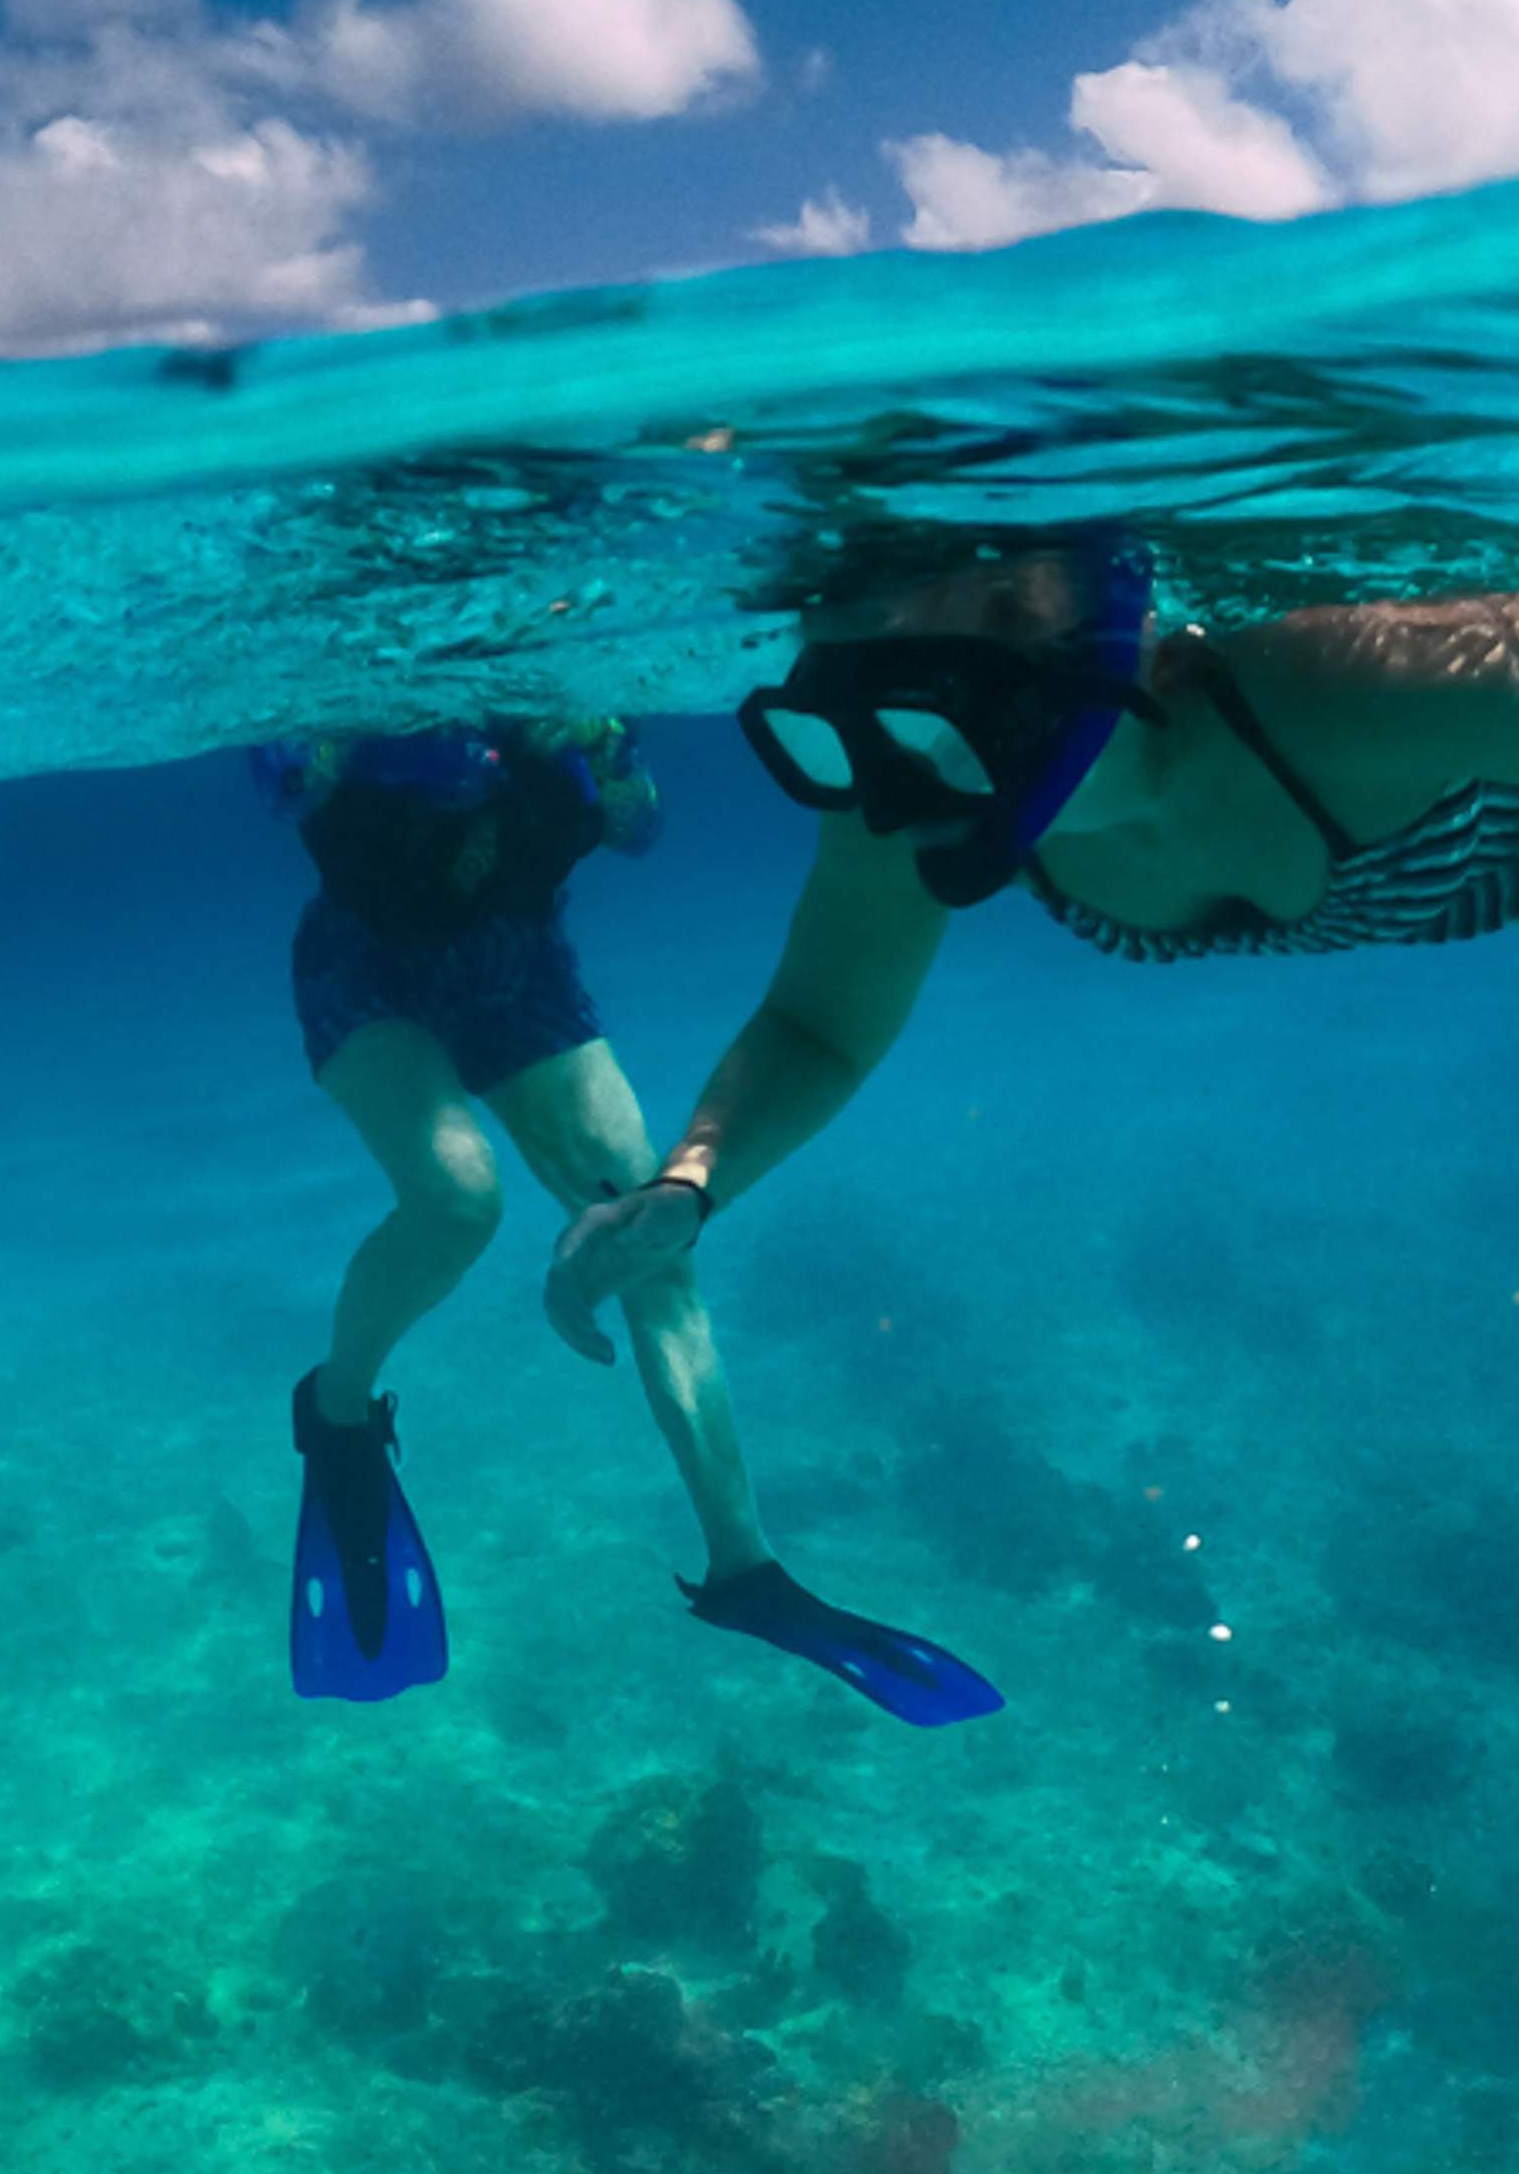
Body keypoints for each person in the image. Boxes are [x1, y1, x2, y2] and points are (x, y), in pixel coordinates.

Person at [541, 552, 1519, 1396]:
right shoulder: (913, 777)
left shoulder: (1358, 678)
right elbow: (820, 1020)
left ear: (1060, 679)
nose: (887, 799)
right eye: (833, 743)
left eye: (921, 732)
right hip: (1468, 880)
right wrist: (690, 1185)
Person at [264, 716, 996, 1722]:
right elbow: (287, 776)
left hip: (516, 965)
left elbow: (633, 823)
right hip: (366, 964)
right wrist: (398, 752)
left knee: (657, 1239)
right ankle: (338, 1413)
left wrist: (596, 759)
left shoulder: (570, 680)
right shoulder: (372, 671)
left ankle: (744, 1567)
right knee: (455, 1200)